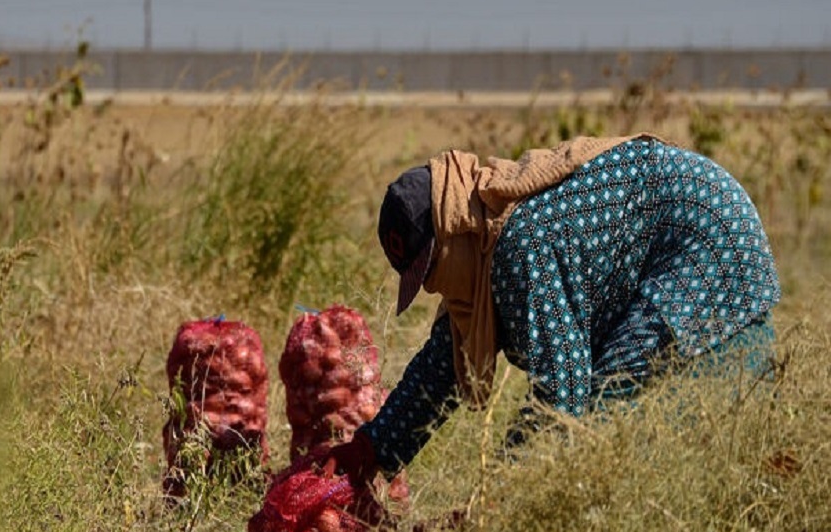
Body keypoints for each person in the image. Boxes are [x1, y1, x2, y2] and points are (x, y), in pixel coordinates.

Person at [327, 134, 780, 484]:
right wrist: (369, 451)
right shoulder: (480, 253)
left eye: (430, 268)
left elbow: (563, 395)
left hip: (708, 246)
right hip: (679, 250)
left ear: (451, 230)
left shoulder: (519, 245)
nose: (430, 287)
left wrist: (503, 488)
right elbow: (442, 368)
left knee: (608, 402)